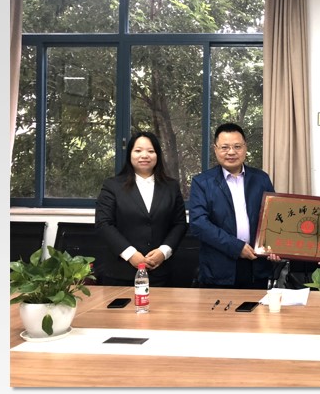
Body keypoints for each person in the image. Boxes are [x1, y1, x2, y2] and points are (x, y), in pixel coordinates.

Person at [95, 131, 188, 286]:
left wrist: (163, 252)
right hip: (120, 273)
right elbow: (103, 223)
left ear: (157, 155)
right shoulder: (112, 186)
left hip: (160, 272)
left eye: (150, 151)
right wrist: (131, 254)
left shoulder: (171, 186)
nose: (144, 155)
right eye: (138, 150)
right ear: (129, 154)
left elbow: (179, 224)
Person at [188, 123, 274, 287]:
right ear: (215, 149)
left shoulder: (261, 179)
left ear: (245, 148)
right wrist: (236, 247)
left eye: (237, 146)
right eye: (225, 147)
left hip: (256, 265)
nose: (231, 152)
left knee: (256, 304)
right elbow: (199, 224)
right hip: (219, 268)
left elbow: (273, 218)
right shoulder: (202, 182)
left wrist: (274, 248)